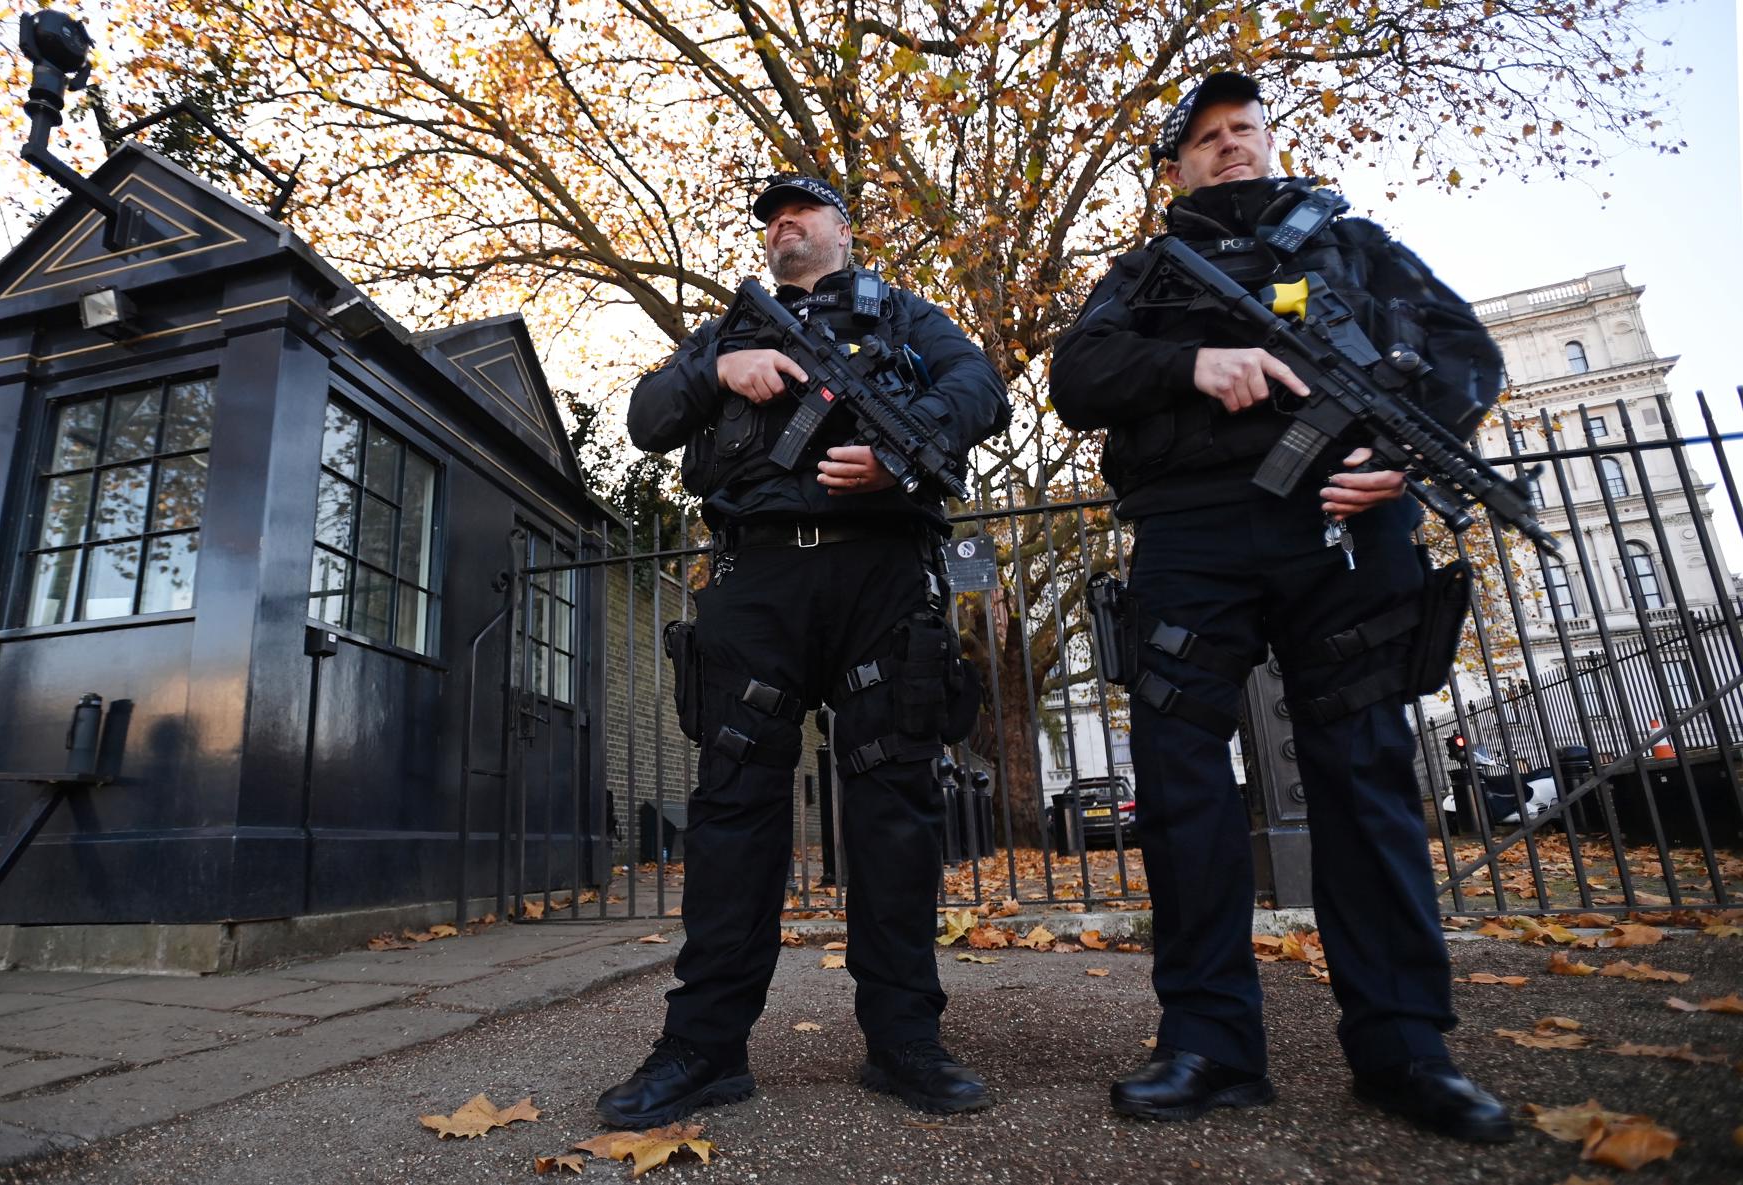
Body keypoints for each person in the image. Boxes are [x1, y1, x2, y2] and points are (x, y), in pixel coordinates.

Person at [1049, 73, 1513, 1143]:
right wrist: (1195, 362)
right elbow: (1080, 377)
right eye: (1206, 139)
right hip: (1193, 532)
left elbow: (1466, 357)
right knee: (1180, 786)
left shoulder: (1357, 247)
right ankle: (1208, 1044)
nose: (1230, 147)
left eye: (1242, 130)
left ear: (1269, 139)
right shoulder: (1145, 273)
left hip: (1346, 530)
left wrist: (1401, 452)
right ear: (1178, 168)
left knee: (1365, 777)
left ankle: (1406, 1047)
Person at [602, 174, 1010, 1126]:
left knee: (895, 815)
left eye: (802, 210)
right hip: (758, 580)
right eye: (770, 218)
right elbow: (647, 418)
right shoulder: (729, 328)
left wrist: (901, 456)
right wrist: (717, 373)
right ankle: (703, 1048)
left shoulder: (906, 313)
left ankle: (905, 1039)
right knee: (734, 810)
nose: (784, 224)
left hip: (883, 577)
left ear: (842, 227)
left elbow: (979, 388)